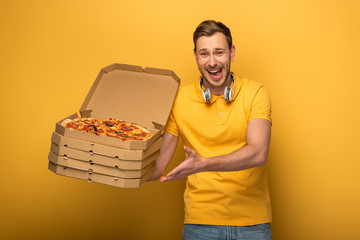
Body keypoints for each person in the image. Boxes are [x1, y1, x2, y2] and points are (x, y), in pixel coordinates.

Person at [148, 20, 272, 240]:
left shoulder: (255, 92)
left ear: (231, 53)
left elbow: (258, 152)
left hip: (253, 224)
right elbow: (157, 168)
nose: (212, 62)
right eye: (204, 54)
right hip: (200, 224)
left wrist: (204, 164)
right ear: (196, 56)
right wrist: (109, 161)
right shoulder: (179, 100)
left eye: (219, 52)